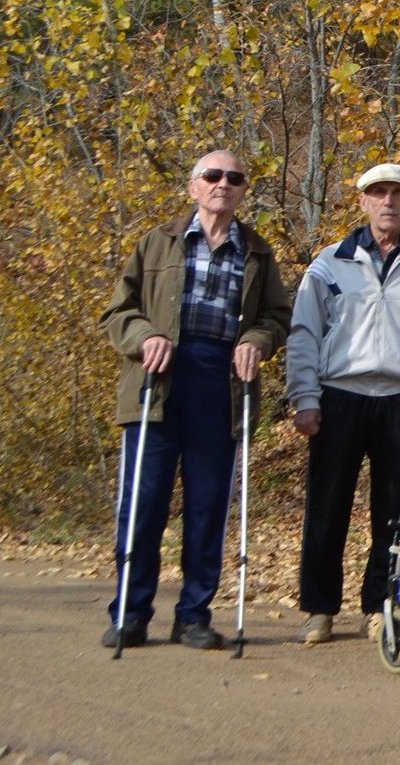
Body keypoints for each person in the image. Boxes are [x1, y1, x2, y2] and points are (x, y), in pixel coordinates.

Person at [99, 149, 292, 650]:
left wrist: (257, 340)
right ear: (194, 187)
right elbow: (118, 312)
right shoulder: (156, 242)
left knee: (208, 506)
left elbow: (276, 316)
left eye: (234, 177)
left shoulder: (258, 251)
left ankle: (193, 615)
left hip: (221, 383)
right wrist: (144, 336)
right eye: (212, 175)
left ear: (243, 190)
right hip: (158, 381)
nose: (222, 184)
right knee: (143, 503)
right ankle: (130, 612)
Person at [287, 161, 400, 646]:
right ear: (362, 202)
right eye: (378, 193)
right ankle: (319, 608)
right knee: (327, 507)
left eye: (397, 194)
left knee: (394, 510)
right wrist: (304, 396)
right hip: (339, 396)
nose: (388, 202)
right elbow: (304, 335)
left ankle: (379, 605)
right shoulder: (328, 263)